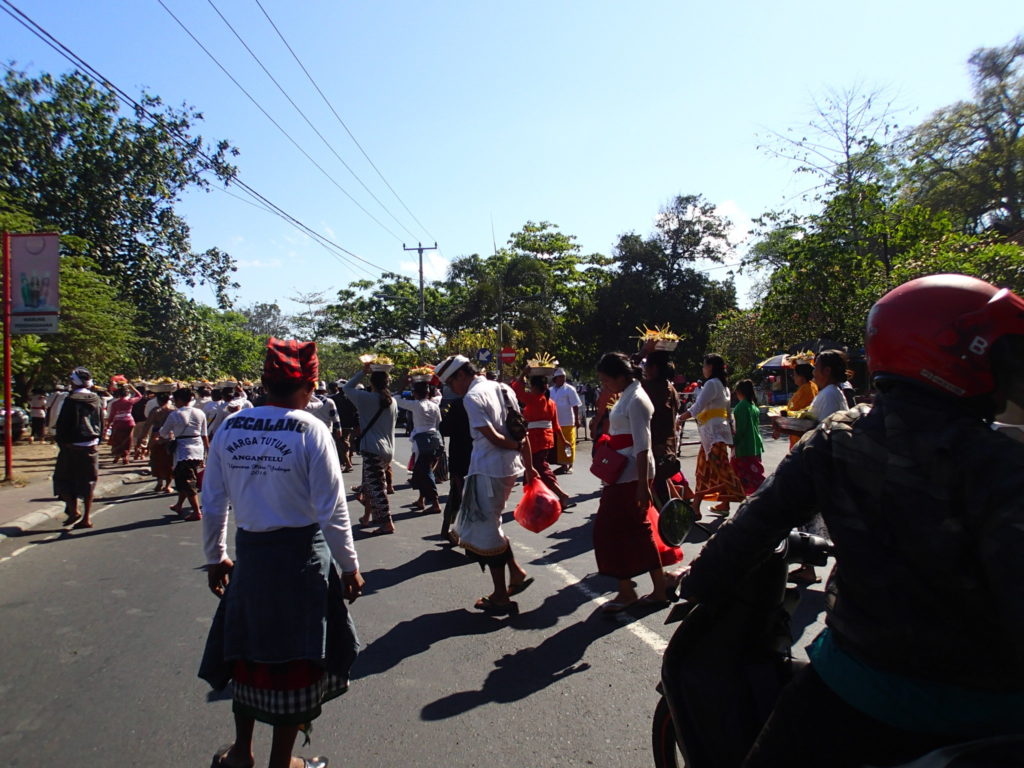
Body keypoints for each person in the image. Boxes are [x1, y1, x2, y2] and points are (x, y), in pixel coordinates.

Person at [678, 274, 1024, 767]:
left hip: (860, 682)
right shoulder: (1000, 460)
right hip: (996, 713)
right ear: (950, 355)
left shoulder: (841, 438)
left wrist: (697, 580)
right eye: (1000, 357)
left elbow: (756, 525)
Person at [199, 337, 362, 768]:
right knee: (295, 660)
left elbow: (213, 500)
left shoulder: (231, 426)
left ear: (265, 382)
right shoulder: (311, 430)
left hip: (250, 558)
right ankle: (281, 762)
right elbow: (333, 509)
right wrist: (350, 567)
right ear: (308, 385)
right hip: (302, 561)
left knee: (247, 653)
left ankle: (240, 753)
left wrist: (216, 555)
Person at [435, 354, 536, 615]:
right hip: (507, 468)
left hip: (489, 469)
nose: (451, 389)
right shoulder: (501, 387)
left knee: (486, 530)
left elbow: (494, 437)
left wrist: (517, 448)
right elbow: (520, 428)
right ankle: (514, 573)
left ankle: (501, 595)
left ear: (460, 375)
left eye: (450, 383)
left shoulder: (472, 397)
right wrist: (528, 462)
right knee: (490, 524)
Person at [592, 353, 682, 613]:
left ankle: (632, 589)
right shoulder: (628, 395)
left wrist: (643, 485)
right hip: (623, 473)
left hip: (632, 474)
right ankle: (652, 585)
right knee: (632, 530)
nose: (605, 385)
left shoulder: (637, 399)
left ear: (621, 376)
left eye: (607, 380)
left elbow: (642, 446)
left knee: (612, 530)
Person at [677, 354, 746, 518]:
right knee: (704, 471)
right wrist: (731, 433)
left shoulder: (712, 384)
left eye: (704, 365)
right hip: (714, 436)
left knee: (722, 471)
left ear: (711, 367)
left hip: (714, 436)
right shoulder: (724, 386)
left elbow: (697, 407)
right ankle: (702, 506)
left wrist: (679, 418)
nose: (703, 369)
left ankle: (746, 504)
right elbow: (728, 415)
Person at [508, 365, 572, 512]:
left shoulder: (532, 399)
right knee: (530, 470)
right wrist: (563, 440)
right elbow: (556, 426)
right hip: (545, 439)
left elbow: (516, 389)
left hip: (534, 441)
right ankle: (531, 500)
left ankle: (561, 495)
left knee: (539, 470)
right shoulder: (550, 403)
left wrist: (523, 373)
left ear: (535, 387)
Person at [344, 362, 398, 536]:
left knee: (376, 488)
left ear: (372, 382)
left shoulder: (366, 398)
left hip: (372, 448)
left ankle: (387, 523)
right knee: (370, 484)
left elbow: (347, 387)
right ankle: (366, 517)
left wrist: (362, 372)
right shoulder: (393, 402)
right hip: (387, 450)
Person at [53, 368, 104, 529]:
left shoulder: (71, 400)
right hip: (91, 445)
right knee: (89, 482)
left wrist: (62, 442)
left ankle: (74, 510)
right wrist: (98, 439)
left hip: (72, 445)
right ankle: (87, 517)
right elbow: (101, 421)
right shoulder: (96, 399)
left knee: (63, 479)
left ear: (74, 382)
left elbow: (63, 424)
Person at [640, 350, 682, 509]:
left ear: (655, 368)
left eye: (647, 366)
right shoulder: (670, 387)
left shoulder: (650, 387)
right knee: (660, 484)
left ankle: (667, 521)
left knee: (655, 487)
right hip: (666, 444)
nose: (644, 369)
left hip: (654, 443)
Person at [160, 387, 209, 521]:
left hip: (184, 450)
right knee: (184, 478)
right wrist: (207, 450)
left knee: (187, 481)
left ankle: (196, 511)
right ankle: (179, 505)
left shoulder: (175, 415)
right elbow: (204, 434)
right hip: (198, 449)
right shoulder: (200, 413)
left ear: (179, 400)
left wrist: (169, 435)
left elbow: (163, 433)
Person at [396, 378, 444, 514]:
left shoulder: (416, 405)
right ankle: (421, 500)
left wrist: (403, 383)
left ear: (415, 394)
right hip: (435, 439)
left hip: (421, 443)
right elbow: (438, 422)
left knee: (425, 472)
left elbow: (396, 398)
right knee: (422, 470)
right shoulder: (434, 405)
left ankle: (435, 502)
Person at [439, 380, 473, 545]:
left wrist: (445, 417)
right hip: (478, 455)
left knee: (459, 492)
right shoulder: (486, 402)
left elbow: (445, 429)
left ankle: (458, 530)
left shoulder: (459, 404)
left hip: (460, 454)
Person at [731, 379, 765, 496]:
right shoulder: (753, 406)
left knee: (739, 477)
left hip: (744, 447)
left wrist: (733, 442)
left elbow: (740, 430)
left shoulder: (741, 407)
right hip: (755, 445)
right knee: (754, 475)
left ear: (739, 392)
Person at [549, 368, 582, 474]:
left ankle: (569, 464)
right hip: (555, 422)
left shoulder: (570, 389)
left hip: (568, 421)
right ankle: (563, 464)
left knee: (569, 443)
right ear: (555, 378)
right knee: (559, 445)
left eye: (564, 377)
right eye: (560, 377)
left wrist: (577, 419)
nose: (563, 379)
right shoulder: (550, 390)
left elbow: (575, 405)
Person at [144, 391, 175, 493]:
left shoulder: (155, 411)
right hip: (169, 437)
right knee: (168, 462)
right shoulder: (173, 410)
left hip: (156, 437)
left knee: (157, 461)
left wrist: (141, 440)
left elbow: (147, 426)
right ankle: (167, 485)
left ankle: (160, 482)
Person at [106, 383, 142, 464]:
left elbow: (112, 415)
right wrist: (133, 388)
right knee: (128, 440)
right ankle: (126, 456)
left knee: (118, 439)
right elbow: (139, 396)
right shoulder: (130, 401)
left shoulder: (115, 403)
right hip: (129, 422)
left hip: (118, 423)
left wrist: (108, 424)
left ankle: (117, 455)